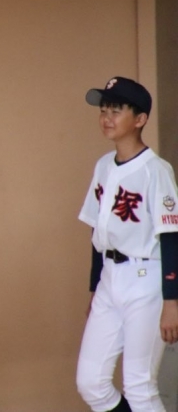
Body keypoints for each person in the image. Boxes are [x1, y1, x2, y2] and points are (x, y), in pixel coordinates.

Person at [76, 77, 178, 412]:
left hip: (145, 278)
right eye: (103, 110)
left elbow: (171, 237)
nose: (106, 117)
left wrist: (172, 302)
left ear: (140, 119)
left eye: (116, 110)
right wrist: (95, 288)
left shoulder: (156, 171)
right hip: (110, 277)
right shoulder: (103, 165)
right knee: (91, 383)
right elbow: (98, 230)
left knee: (139, 387)